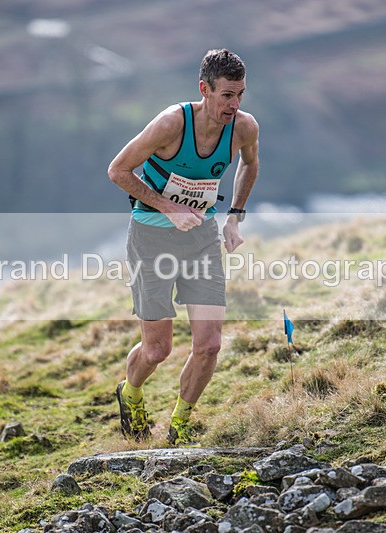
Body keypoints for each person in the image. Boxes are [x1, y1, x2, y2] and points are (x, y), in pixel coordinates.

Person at [107, 49, 259, 445]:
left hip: (202, 239)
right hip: (151, 238)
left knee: (209, 345)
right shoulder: (172, 124)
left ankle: (180, 424)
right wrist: (167, 206)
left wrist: (234, 215)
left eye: (240, 93)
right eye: (227, 95)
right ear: (204, 90)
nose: (235, 104)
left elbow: (250, 163)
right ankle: (132, 393)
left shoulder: (243, 127)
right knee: (157, 350)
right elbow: (118, 170)